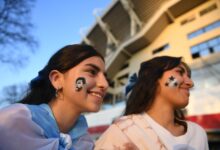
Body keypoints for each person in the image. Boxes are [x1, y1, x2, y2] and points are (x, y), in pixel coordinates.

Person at [0, 44, 109, 150]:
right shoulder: (11, 121)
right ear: (57, 79)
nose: (105, 84)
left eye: (105, 76)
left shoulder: (84, 143)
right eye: (91, 72)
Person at [95, 56, 209, 150]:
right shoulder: (122, 131)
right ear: (154, 79)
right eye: (179, 72)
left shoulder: (198, 133)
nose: (191, 83)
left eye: (189, 77)